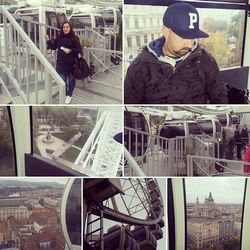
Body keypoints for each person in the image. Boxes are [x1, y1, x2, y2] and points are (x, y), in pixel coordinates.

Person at [124, 2, 228, 104]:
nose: (188, 44)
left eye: (192, 37)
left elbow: (220, 99)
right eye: (183, 36)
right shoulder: (141, 66)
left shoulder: (205, 61)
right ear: (165, 31)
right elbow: (129, 104)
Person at [45, 21, 82, 104]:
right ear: (62, 28)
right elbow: (54, 47)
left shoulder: (75, 38)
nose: (65, 28)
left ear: (70, 28)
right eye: (64, 27)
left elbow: (79, 49)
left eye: (67, 27)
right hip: (61, 64)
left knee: (71, 80)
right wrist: (48, 40)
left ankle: (69, 95)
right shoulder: (59, 37)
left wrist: (70, 50)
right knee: (63, 81)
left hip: (72, 64)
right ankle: (65, 94)